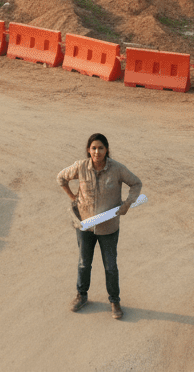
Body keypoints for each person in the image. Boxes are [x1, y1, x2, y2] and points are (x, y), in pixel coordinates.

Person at [57, 132, 142, 319]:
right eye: (93, 148)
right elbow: (61, 178)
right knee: (83, 263)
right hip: (85, 226)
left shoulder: (117, 169)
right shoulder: (80, 167)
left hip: (109, 228)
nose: (97, 151)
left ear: (106, 150)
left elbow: (136, 183)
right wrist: (73, 197)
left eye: (101, 148)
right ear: (88, 150)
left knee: (110, 266)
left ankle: (114, 301)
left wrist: (127, 203)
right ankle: (82, 295)